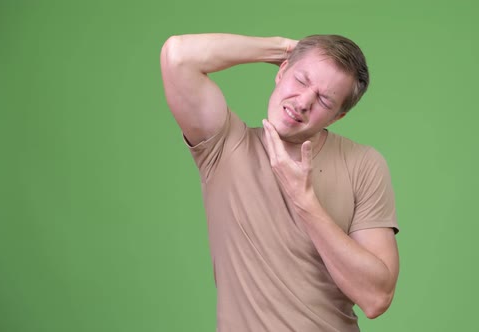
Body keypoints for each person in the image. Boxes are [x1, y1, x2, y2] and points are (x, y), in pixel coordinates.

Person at [160, 33, 400, 332]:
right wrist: (284, 48)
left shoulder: (363, 164)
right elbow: (178, 55)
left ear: (338, 116)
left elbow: (376, 297)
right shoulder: (224, 147)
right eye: (300, 80)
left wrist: (305, 201)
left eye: (324, 100)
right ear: (282, 71)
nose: (303, 102)